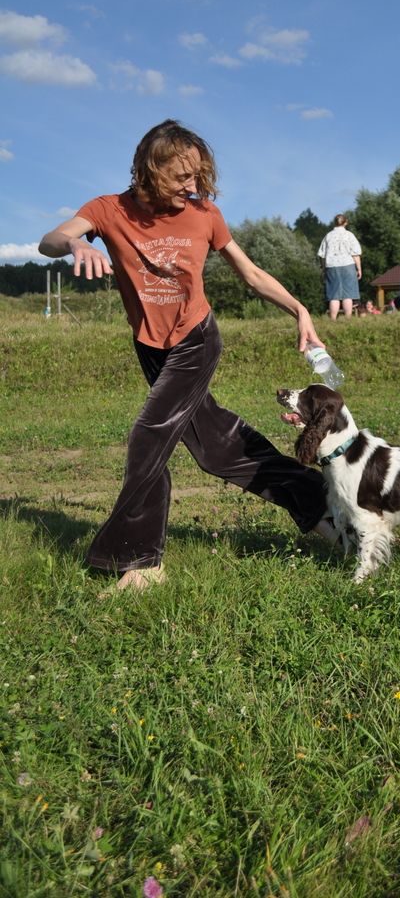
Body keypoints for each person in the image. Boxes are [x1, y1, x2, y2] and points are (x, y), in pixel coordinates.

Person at [38, 119, 336, 591]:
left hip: (195, 339)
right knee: (219, 448)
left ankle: (141, 562)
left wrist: (299, 309)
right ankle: (323, 506)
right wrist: (75, 243)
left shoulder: (205, 214)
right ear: (149, 171)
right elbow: (49, 240)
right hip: (151, 347)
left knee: (148, 437)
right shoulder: (108, 209)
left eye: (198, 175)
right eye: (182, 176)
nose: (193, 186)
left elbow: (251, 274)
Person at [317, 214, 362, 319]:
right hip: (348, 265)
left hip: (331, 266)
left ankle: (333, 320)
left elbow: (321, 255)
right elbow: (355, 254)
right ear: (346, 222)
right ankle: (348, 319)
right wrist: (359, 268)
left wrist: (323, 268)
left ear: (334, 223)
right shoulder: (349, 235)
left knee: (334, 295)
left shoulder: (328, 236)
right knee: (348, 294)